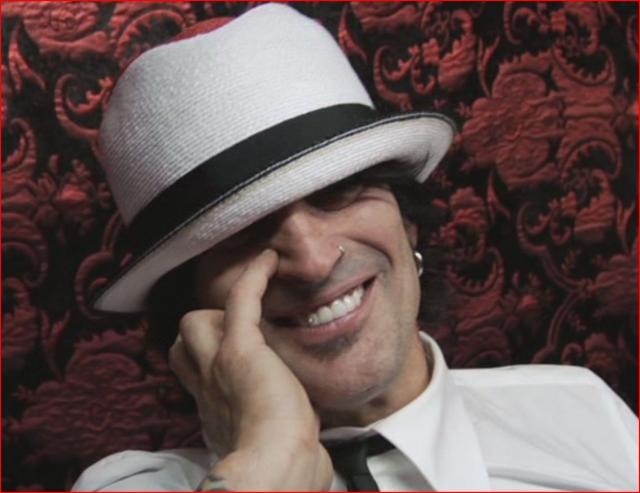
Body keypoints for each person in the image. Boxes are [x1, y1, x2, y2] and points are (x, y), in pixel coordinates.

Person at [73, 4, 638, 492]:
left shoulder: (583, 416)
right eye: (241, 233)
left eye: (339, 192)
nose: (315, 261)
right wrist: (273, 458)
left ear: (407, 225)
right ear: (194, 309)